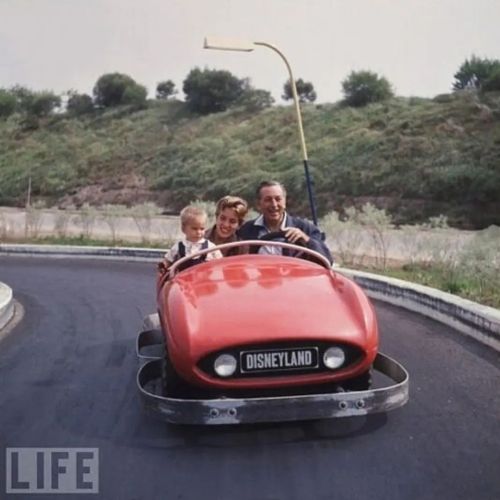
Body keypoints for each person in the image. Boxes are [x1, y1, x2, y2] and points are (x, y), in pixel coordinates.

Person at [237, 181, 333, 264]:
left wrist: (306, 240)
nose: (274, 205)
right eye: (268, 200)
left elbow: (327, 260)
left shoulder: (305, 228)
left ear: (285, 201)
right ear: (259, 204)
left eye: (278, 199)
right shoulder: (247, 229)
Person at [159, 205, 222, 273]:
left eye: (202, 228)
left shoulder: (210, 247)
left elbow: (221, 262)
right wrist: (164, 266)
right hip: (183, 281)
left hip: (203, 280)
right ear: (183, 229)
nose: (199, 232)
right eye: (194, 228)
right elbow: (168, 260)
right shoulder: (178, 247)